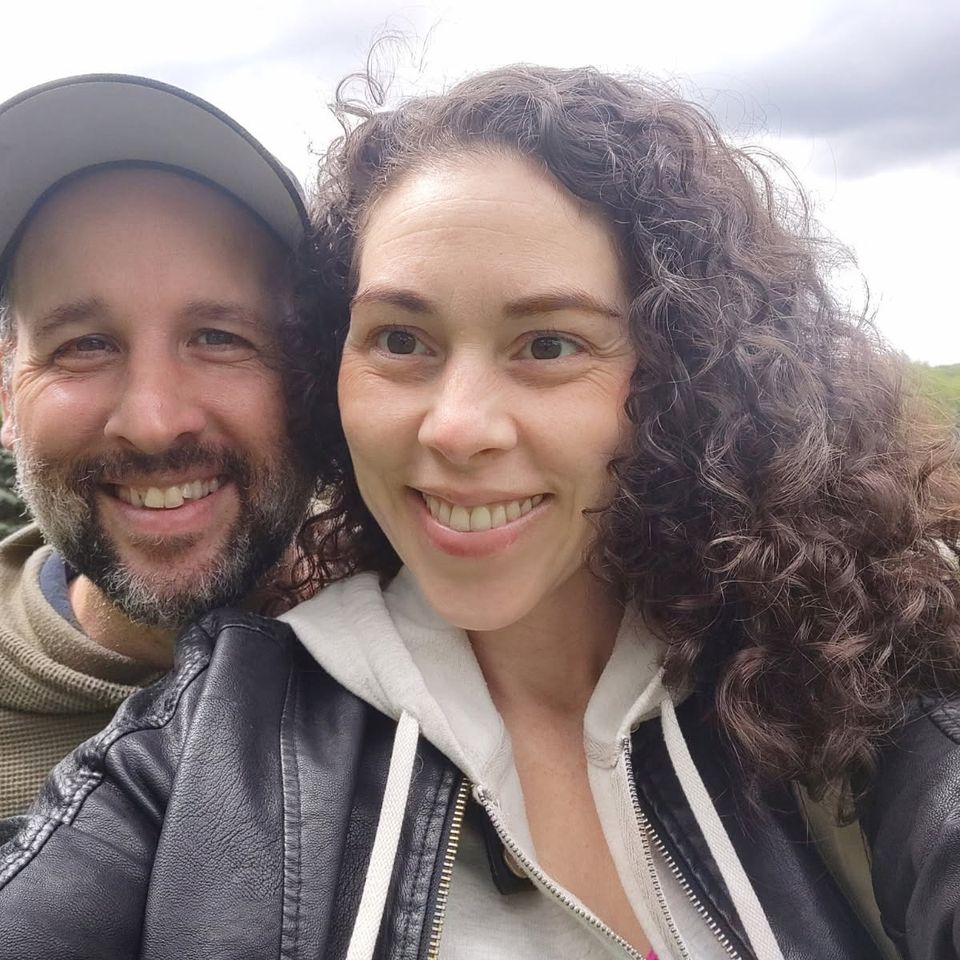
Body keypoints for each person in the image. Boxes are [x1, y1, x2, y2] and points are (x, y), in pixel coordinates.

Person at [2, 64, 960, 960]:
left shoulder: (856, 648)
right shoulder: (213, 731)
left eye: (548, 344)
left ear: (687, 374)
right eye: (400, 339)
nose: (457, 428)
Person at [0, 74, 315, 816]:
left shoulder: (466, 660)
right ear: (7, 395)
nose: (152, 421)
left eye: (220, 337)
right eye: (84, 345)